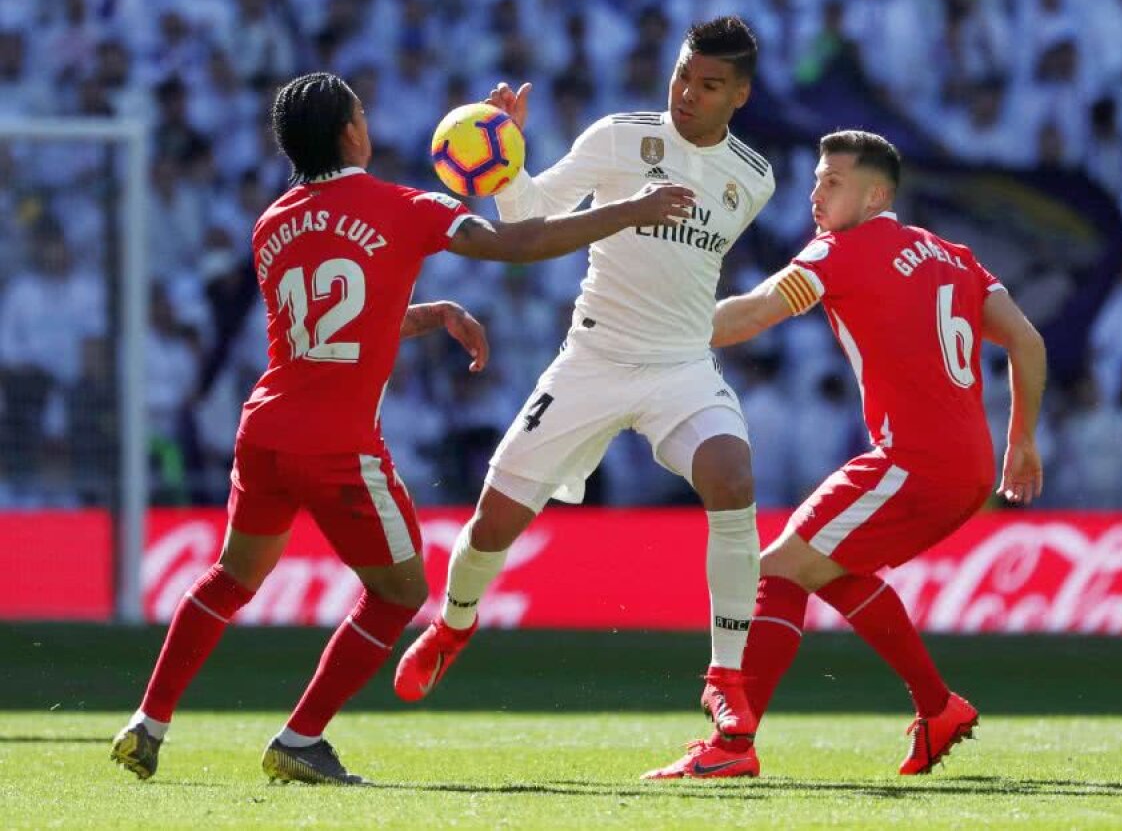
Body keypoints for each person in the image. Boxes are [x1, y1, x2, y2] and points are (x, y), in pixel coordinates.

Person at [109, 71, 694, 785]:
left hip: (264, 430)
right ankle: (300, 738)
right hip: (337, 446)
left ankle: (148, 719)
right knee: (399, 591)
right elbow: (521, 242)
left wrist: (429, 311)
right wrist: (627, 210)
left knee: (231, 576)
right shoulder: (405, 207)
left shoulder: (272, 222)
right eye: (362, 110)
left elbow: (326, 330)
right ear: (353, 133)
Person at [394, 16, 776, 746]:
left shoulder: (755, 179)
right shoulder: (618, 138)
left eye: (709, 85)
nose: (687, 93)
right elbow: (532, 218)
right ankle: (453, 624)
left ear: (741, 96)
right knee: (492, 522)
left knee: (732, 476)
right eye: (682, 75)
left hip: (682, 366)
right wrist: (506, 168)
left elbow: (691, 276)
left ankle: (726, 678)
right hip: (593, 358)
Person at [643, 130, 1046, 779]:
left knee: (776, 567)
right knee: (827, 567)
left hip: (911, 461)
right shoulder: (954, 256)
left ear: (877, 193)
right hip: (966, 466)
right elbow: (1026, 341)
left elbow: (748, 317)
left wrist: (655, 324)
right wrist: (1021, 440)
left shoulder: (840, 253)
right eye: (816, 179)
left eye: (833, 181)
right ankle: (937, 706)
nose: (816, 193)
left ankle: (734, 744)